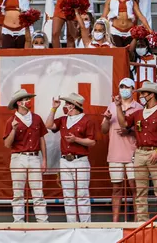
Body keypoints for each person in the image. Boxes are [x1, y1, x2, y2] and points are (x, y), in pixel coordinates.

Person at [114, 81, 157, 223]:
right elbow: (123, 123)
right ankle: (142, 221)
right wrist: (118, 106)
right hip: (141, 152)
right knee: (141, 190)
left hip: (154, 151)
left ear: (151, 95)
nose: (141, 95)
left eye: (144, 93)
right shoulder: (138, 113)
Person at [46, 93, 96, 223]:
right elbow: (49, 125)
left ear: (73, 105)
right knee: (68, 195)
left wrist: (76, 140)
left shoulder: (87, 120)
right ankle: (72, 225)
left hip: (80, 160)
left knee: (82, 194)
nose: (65, 105)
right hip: (65, 161)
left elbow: (92, 142)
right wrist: (53, 108)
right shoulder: (63, 119)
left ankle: (85, 225)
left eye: (67, 103)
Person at [3, 88, 49, 224]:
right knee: (18, 192)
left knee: (38, 192)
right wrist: (14, 130)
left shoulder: (36, 118)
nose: (28, 101)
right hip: (18, 157)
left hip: (34, 157)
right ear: (19, 103)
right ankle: (18, 221)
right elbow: (7, 144)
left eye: (28, 99)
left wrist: (44, 160)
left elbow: (41, 139)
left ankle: (42, 221)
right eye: (25, 99)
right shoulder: (11, 121)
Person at [103, 78, 141, 222]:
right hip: (115, 154)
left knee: (135, 188)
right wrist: (106, 120)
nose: (124, 89)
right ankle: (115, 220)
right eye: (122, 86)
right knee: (116, 188)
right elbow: (104, 130)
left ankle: (138, 219)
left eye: (127, 87)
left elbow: (143, 131)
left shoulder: (139, 108)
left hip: (133, 153)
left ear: (133, 89)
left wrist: (129, 132)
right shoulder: (111, 106)